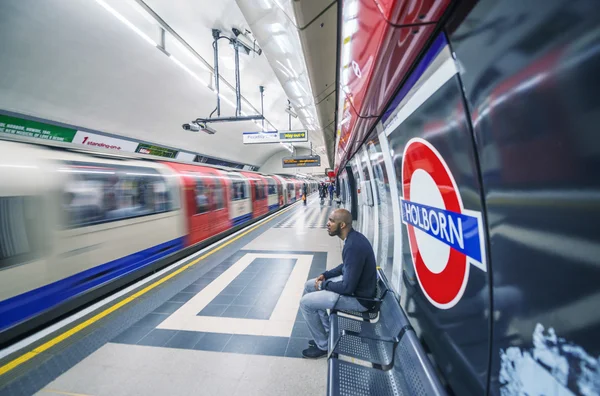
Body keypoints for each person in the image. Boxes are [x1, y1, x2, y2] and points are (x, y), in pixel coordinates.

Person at [299, 209, 377, 358]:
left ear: (342, 225)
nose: (327, 224)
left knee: (305, 303)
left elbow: (347, 288)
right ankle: (327, 334)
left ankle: (323, 346)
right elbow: (345, 266)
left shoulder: (353, 246)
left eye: (331, 221)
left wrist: (324, 285)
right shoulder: (353, 238)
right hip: (356, 290)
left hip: (359, 300)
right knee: (310, 285)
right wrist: (326, 275)